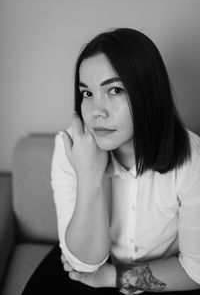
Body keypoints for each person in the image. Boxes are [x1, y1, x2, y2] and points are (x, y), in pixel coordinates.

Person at [21, 28, 200, 294]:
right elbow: (83, 263)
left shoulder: (193, 158)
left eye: (114, 90)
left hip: (162, 274)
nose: (95, 112)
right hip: (87, 274)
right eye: (87, 93)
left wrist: (111, 277)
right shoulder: (71, 146)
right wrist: (88, 177)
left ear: (148, 93)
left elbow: (196, 271)